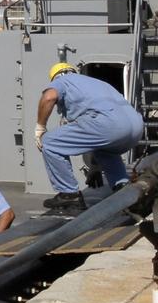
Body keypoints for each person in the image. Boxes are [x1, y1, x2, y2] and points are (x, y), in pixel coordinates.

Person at [35, 62, 143, 213]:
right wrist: (95, 167)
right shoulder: (96, 83)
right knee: (106, 151)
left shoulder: (62, 81)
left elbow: (49, 97)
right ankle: (122, 188)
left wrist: (40, 126)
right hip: (136, 126)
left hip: (110, 126)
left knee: (50, 143)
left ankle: (69, 194)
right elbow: (99, 138)